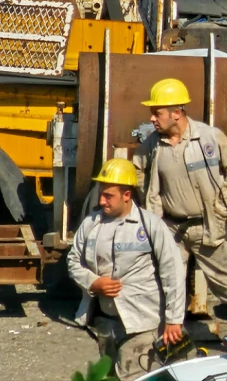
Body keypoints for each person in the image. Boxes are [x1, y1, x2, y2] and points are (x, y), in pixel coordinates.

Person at [132, 78, 227, 333]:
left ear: (176, 113)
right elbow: (138, 169)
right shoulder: (153, 144)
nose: (152, 119)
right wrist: (150, 200)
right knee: (170, 283)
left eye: (157, 113)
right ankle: (173, 341)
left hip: (207, 227)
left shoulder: (208, 137)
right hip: (171, 228)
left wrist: (224, 204)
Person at [68, 158, 185, 381]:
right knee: (109, 376)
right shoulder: (91, 224)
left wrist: (173, 319)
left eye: (108, 196)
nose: (101, 201)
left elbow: (173, 273)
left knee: (133, 377)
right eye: (100, 194)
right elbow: (73, 260)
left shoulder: (150, 225)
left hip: (142, 324)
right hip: (105, 322)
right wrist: (93, 282)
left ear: (127, 195)